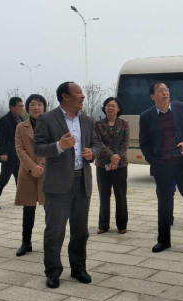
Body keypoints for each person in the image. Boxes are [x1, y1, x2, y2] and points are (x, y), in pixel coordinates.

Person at [34, 82, 101, 289]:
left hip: (82, 181)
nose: (83, 96)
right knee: (55, 231)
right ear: (65, 96)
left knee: (81, 231)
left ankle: (78, 268)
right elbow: (38, 148)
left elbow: (97, 144)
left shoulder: (88, 121)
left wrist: (92, 153)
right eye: (79, 92)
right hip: (57, 184)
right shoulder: (47, 118)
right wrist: (59, 146)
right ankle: (53, 272)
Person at [139, 82, 183, 255]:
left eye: (166, 90)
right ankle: (164, 241)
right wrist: (154, 161)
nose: (165, 93)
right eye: (160, 91)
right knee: (164, 206)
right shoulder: (146, 116)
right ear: (152, 96)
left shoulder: (182, 108)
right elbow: (144, 143)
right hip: (162, 167)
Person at [14, 94, 47, 256]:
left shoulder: (50, 125)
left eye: (39, 104)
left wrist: (41, 166)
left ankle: (51, 242)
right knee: (28, 209)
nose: (36, 107)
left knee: (50, 209)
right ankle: (26, 242)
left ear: (44, 107)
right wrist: (32, 167)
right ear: (27, 108)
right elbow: (20, 149)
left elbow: (55, 147)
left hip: (47, 172)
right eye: (33, 104)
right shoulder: (21, 127)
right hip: (28, 172)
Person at [94, 97, 130, 235]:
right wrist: (110, 156)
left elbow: (125, 143)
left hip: (120, 165)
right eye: (108, 105)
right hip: (102, 164)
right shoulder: (98, 125)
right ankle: (103, 225)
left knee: (120, 195)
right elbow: (97, 142)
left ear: (118, 109)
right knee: (104, 195)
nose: (110, 108)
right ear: (104, 108)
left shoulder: (124, 124)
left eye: (113, 106)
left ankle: (122, 225)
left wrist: (116, 159)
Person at [0, 97, 24, 209]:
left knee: (20, 178)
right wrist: (3, 153)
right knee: (4, 178)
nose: (22, 108)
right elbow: (1, 138)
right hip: (9, 154)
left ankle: (21, 198)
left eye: (22, 106)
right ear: (12, 107)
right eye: (19, 106)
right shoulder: (5, 120)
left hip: (19, 154)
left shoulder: (21, 119)